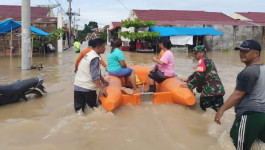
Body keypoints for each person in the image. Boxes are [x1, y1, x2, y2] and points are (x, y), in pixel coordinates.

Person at [215, 40, 265, 150]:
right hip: (262, 116)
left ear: (256, 53)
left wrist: (221, 110)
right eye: (240, 51)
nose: (242, 53)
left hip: (250, 116)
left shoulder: (249, 72)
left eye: (246, 51)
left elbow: (238, 94)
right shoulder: (263, 69)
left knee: (236, 145)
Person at [181, 45, 225, 111]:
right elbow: (198, 72)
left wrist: (189, 85)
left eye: (196, 53)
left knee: (203, 112)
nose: (194, 55)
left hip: (209, 93)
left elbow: (199, 77)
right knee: (218, 113)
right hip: (219, 91)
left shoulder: (202, 60)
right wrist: (188, 78)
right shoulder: (210, 61)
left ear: (202, 53)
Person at [74, 38, 109, 112]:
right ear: (98, 47)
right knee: (93, 110)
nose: (105, 49)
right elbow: (94, 76)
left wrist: (103, 80)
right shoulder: (95, 58)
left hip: (77, 86)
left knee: (79, 111)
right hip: (88, 89)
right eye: (103, 47)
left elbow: (95, 71)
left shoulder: (89, 54)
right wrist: (101, 89)